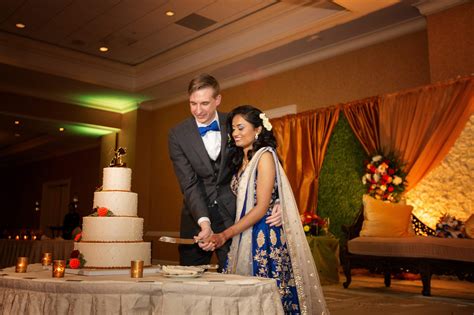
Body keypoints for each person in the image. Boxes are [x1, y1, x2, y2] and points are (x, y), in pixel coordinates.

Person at [202, 105, 329, 314]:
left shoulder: (264, 157)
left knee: (267, 293)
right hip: (245, 229)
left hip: (264, 233)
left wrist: (225, 234)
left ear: (258, 129)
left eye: (241, 128)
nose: (235, 133)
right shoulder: (240, 159)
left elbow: (261, 207)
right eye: (233, 129)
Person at [168, 74, 281, 269]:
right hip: (195, 218)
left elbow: (266, 157)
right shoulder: (177, 134)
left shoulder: (235, 123)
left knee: (235, 276)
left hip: (233, 215)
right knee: (188, 279)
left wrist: (278, 200)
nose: (198, 110)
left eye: (204, 103)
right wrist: (204, 222)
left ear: (217, 100)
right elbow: (189, 183)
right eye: (193, 104)